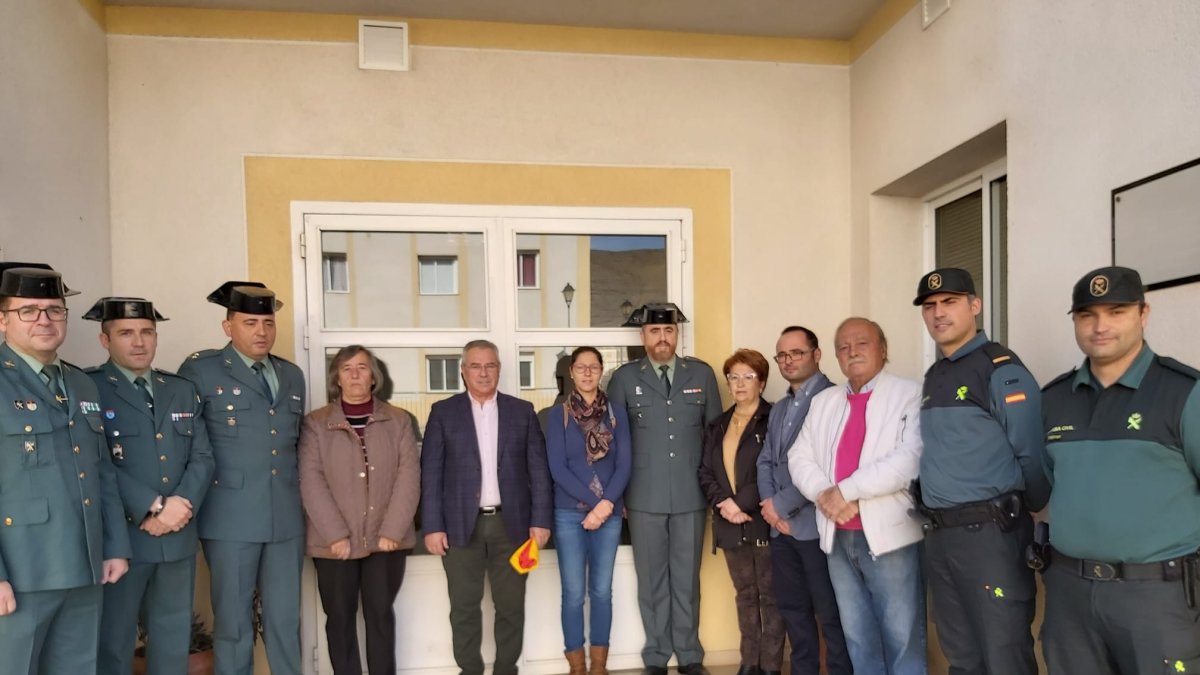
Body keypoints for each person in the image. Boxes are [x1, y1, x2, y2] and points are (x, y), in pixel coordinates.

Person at [1040, 266, 1200, 674]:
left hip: (1157, 598)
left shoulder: (1184, 392)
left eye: (1116, 311)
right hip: (1069, 595)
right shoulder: (1054, 399)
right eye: (1087, 315)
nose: (1100, 326)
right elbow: (1043, 487)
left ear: (1143, 314)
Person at [912, 268, 1048, 674]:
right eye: (930, 306)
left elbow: (1033, 452)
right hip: (941, 535)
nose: (938, 313)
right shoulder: (936, 375)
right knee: (962, 653)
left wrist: (1034, 506)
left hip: (991, 536)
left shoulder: (1000, 368)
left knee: (1003, 650)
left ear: (975, 306)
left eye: (950, 302)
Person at [0, 264, 131, 674]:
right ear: (2, 319)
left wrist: (114, 545)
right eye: (29, 310)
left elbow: (102, 471)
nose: (45, 319)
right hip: (21, 572)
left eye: (55, 310)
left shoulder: (80, 384)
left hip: (84, 564)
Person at [178, 281, 306, 675]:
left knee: (285, 620)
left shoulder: (291, 374)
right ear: (227, 326)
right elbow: (189, 446)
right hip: (229, 517)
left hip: (284, 517)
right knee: (233, 623)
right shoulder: (200, 370)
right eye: (250, 323)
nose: (262, 332)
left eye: (268, 323)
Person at [788, 317, 926, 675]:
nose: (852, 351)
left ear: (883, 349)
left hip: (890, 536)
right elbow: (798, 456)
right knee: (858, 637)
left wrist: (846, 490)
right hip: (838, 538)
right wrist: (825, 494)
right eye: (844, 347)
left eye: (861, 343)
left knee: (902, 637)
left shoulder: (909, 394)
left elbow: (909, 459)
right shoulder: (825, 401)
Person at [84, 297, 215, 675]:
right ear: (105, 340)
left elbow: (203, 457)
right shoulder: (89, 388)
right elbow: (95, 461)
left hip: (177, 535)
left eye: (147, 332)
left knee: (173, 642)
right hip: (123, 540)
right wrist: (153, 506)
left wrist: (179, 506)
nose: (139, 342)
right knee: (114, 642)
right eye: (126, 333)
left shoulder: (180, 389)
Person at [420, 339, 553, 675]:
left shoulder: (522, 412)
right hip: (461, 527)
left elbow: (538, 470)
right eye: (476, 366)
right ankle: (470, 670)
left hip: (514, 526)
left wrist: (540, 520)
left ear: (499, 370)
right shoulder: (443, 412)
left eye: (490, 365)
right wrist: (433, 525)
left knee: (511, 606)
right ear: (463, 372)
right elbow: (431, 474)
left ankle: (506, 669)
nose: (483, 372)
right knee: (464, 607)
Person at [607, 302, 722, 675]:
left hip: (691, 494)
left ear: (677, 335)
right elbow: (614, 443)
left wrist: (715, 492)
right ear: (643, 337)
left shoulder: (701, 375)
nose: (662, 338)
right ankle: (656, 654)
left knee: (687, 579)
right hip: (643, 496)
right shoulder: (624, 379)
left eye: (668, 331)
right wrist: (619, 494)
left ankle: (689, 654)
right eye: (655, 332)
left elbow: (714, 439)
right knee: (652, 580)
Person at [299, 345, 420, 675]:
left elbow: (409, 476)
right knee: (339, 618)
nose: (354, 374)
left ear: (374, 376)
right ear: (336, 378)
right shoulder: (316, 424)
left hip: (386, 543)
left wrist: (392, 530)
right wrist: (335, 534)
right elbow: (311, 481)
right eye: (346, 368)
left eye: (362, 368)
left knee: (380, 616)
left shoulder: (398, 421)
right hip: (334, 545)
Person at [755, 327, 850, 675]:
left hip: (816, 526)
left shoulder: (835, 399)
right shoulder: (780, 408)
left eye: (796, 352)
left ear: (816, 354)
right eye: (782, 355)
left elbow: (827, 465)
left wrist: (781, 505)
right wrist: (770, 506)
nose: (788, 360)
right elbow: (766, 459)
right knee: (793, 609)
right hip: (782, 530)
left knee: (830, 612)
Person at [545, 347, 632, 675]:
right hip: (569, 513)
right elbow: (558, 468)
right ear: (571, 372)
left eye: (593, 367)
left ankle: (599, 666)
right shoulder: (558, 415)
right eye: (581, 367)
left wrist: (606, 504)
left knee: (601, 591)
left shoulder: (617, 413)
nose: (587, 373)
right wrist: (597, 504)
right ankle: (577, 667)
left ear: (601, 371)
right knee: (573, 593)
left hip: (608, 512)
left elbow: (625, 464)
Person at [697, 349, 782, 675]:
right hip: (730, 523)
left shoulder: (773, 418)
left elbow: (776, 470)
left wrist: (740, 503)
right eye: (734, 377)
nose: (740, 383)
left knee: (770, 598)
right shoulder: (718, 425)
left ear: (761, 382)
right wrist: (724, 504)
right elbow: (705, 472)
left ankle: (771, 666)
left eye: (749, 376)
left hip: (764, 520)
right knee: (745, 595)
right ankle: (749, 663)